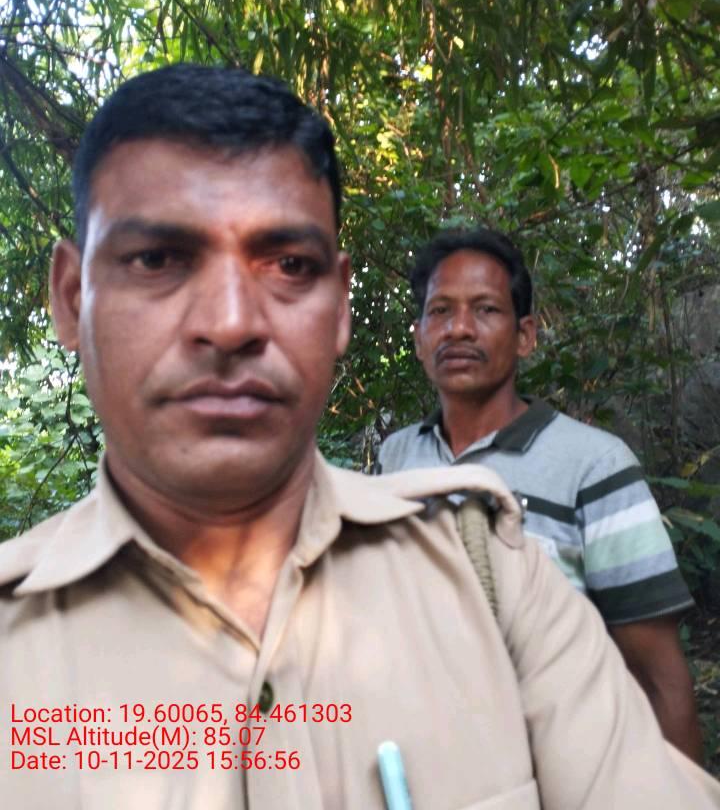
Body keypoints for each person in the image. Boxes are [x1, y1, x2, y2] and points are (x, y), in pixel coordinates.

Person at [1, 65, 718, 809]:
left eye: (289, 265)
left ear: (341, 307)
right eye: (157, 259)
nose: (231, 322)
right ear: (71, 298)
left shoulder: (493, 574)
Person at [376, 226, 703, 761]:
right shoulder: (396, 458)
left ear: (525, 335)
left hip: (561, 773)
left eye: (485, 309)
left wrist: (680, 791)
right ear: (418, 338)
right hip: (415, 767)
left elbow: (657, 675)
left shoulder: (595, 465)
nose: (459, 329)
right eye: (440, 311)